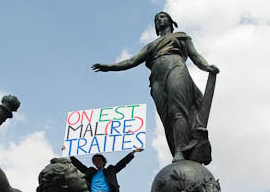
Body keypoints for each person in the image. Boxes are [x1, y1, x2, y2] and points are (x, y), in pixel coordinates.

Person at [93, 11, 219, 165]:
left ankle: (181, 150)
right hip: (157, 78)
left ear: (171, 21)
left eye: (163, 16)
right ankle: (176, 149)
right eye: (156, 19)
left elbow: (195, 56)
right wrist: (110, 67)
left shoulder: (181, 37)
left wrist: (206, 66)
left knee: (177, 110)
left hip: (176, 67)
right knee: (166, 117)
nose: (160, 19)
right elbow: (131, 61)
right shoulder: (151, 46)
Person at [66, 148, 143, 192]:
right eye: (95, 161)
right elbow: (79, 165)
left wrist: (133, 152)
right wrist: (69, 154)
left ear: (103, 161)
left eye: (99, 160)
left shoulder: (110, 170)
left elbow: (122, 163)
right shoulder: (90, 171)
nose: (97, 162)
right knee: (78, 188)